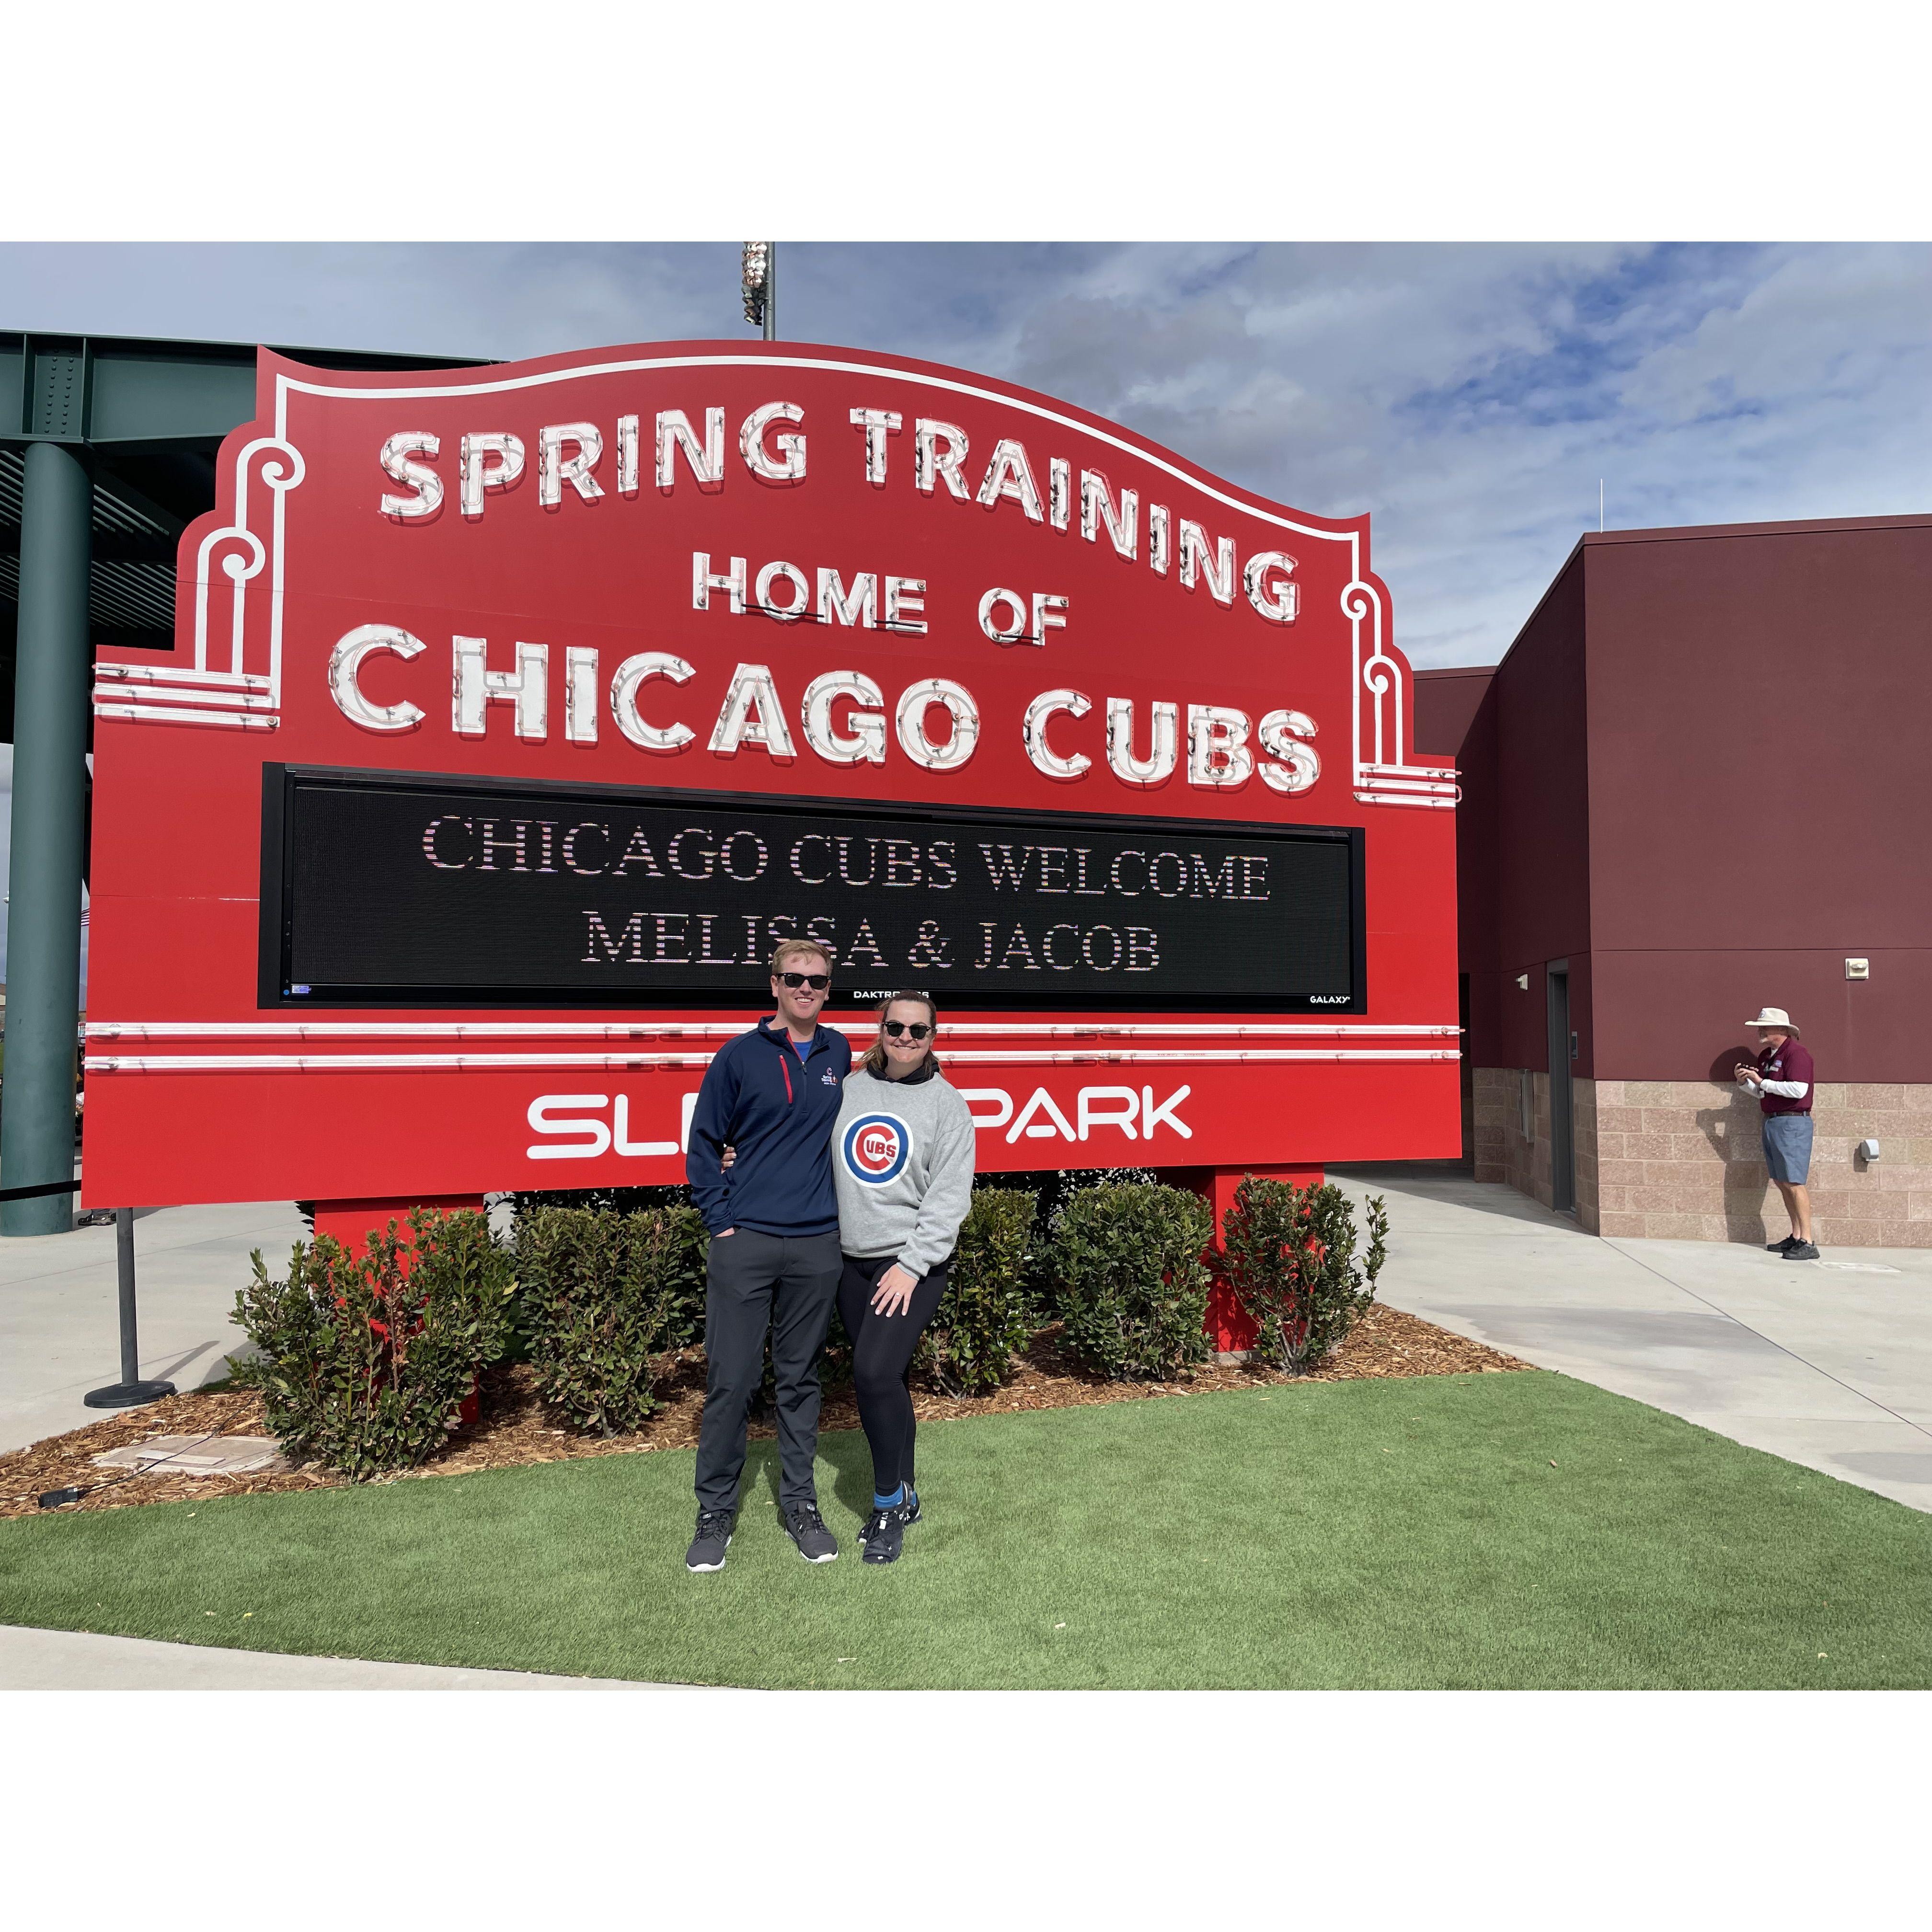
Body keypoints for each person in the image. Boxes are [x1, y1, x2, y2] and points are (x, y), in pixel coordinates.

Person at [683, 939, 852, 1572]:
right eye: (794, 978)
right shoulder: (738, 1057)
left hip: (817, 1244)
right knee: (731, 1379)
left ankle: (801, 1504)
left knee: (801, 1380)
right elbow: (705, 1145)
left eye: (817, 980)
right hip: (746, 1242)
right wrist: (722, 1223)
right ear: (774, 985)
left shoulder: (839, 1052)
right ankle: (715, 1511)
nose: (806, 988)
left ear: (828, 989)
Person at [831, 992, 977, 1564]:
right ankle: (908, 1492)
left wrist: (911, 1266)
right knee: (883, 1382)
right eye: (897, 1027)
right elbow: (806, 1148)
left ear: (933, 1037)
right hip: (849, 1261)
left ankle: (889, 1503)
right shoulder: (850, 1088)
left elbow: (948, 1200)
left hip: (911, 1265)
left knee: (872, 1373)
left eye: (919, 1031)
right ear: (881, 1028)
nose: (906, 1039)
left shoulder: (948, 1107)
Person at [1735, 1006, 1818, 1260]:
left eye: (1765, 1026)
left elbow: (1799, 1090)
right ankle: (1795, 1237)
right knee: (1782, 1181)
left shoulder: (1797, 1054)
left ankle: (1808, 1241)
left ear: (1782, 1030)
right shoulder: (1767, 1056)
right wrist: (1745, 1083)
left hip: (1793, 1123)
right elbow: (1764, 1093)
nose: (1760, 1031)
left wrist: (1762, 1082)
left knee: (1794, 1182)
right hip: (1772, 1121)